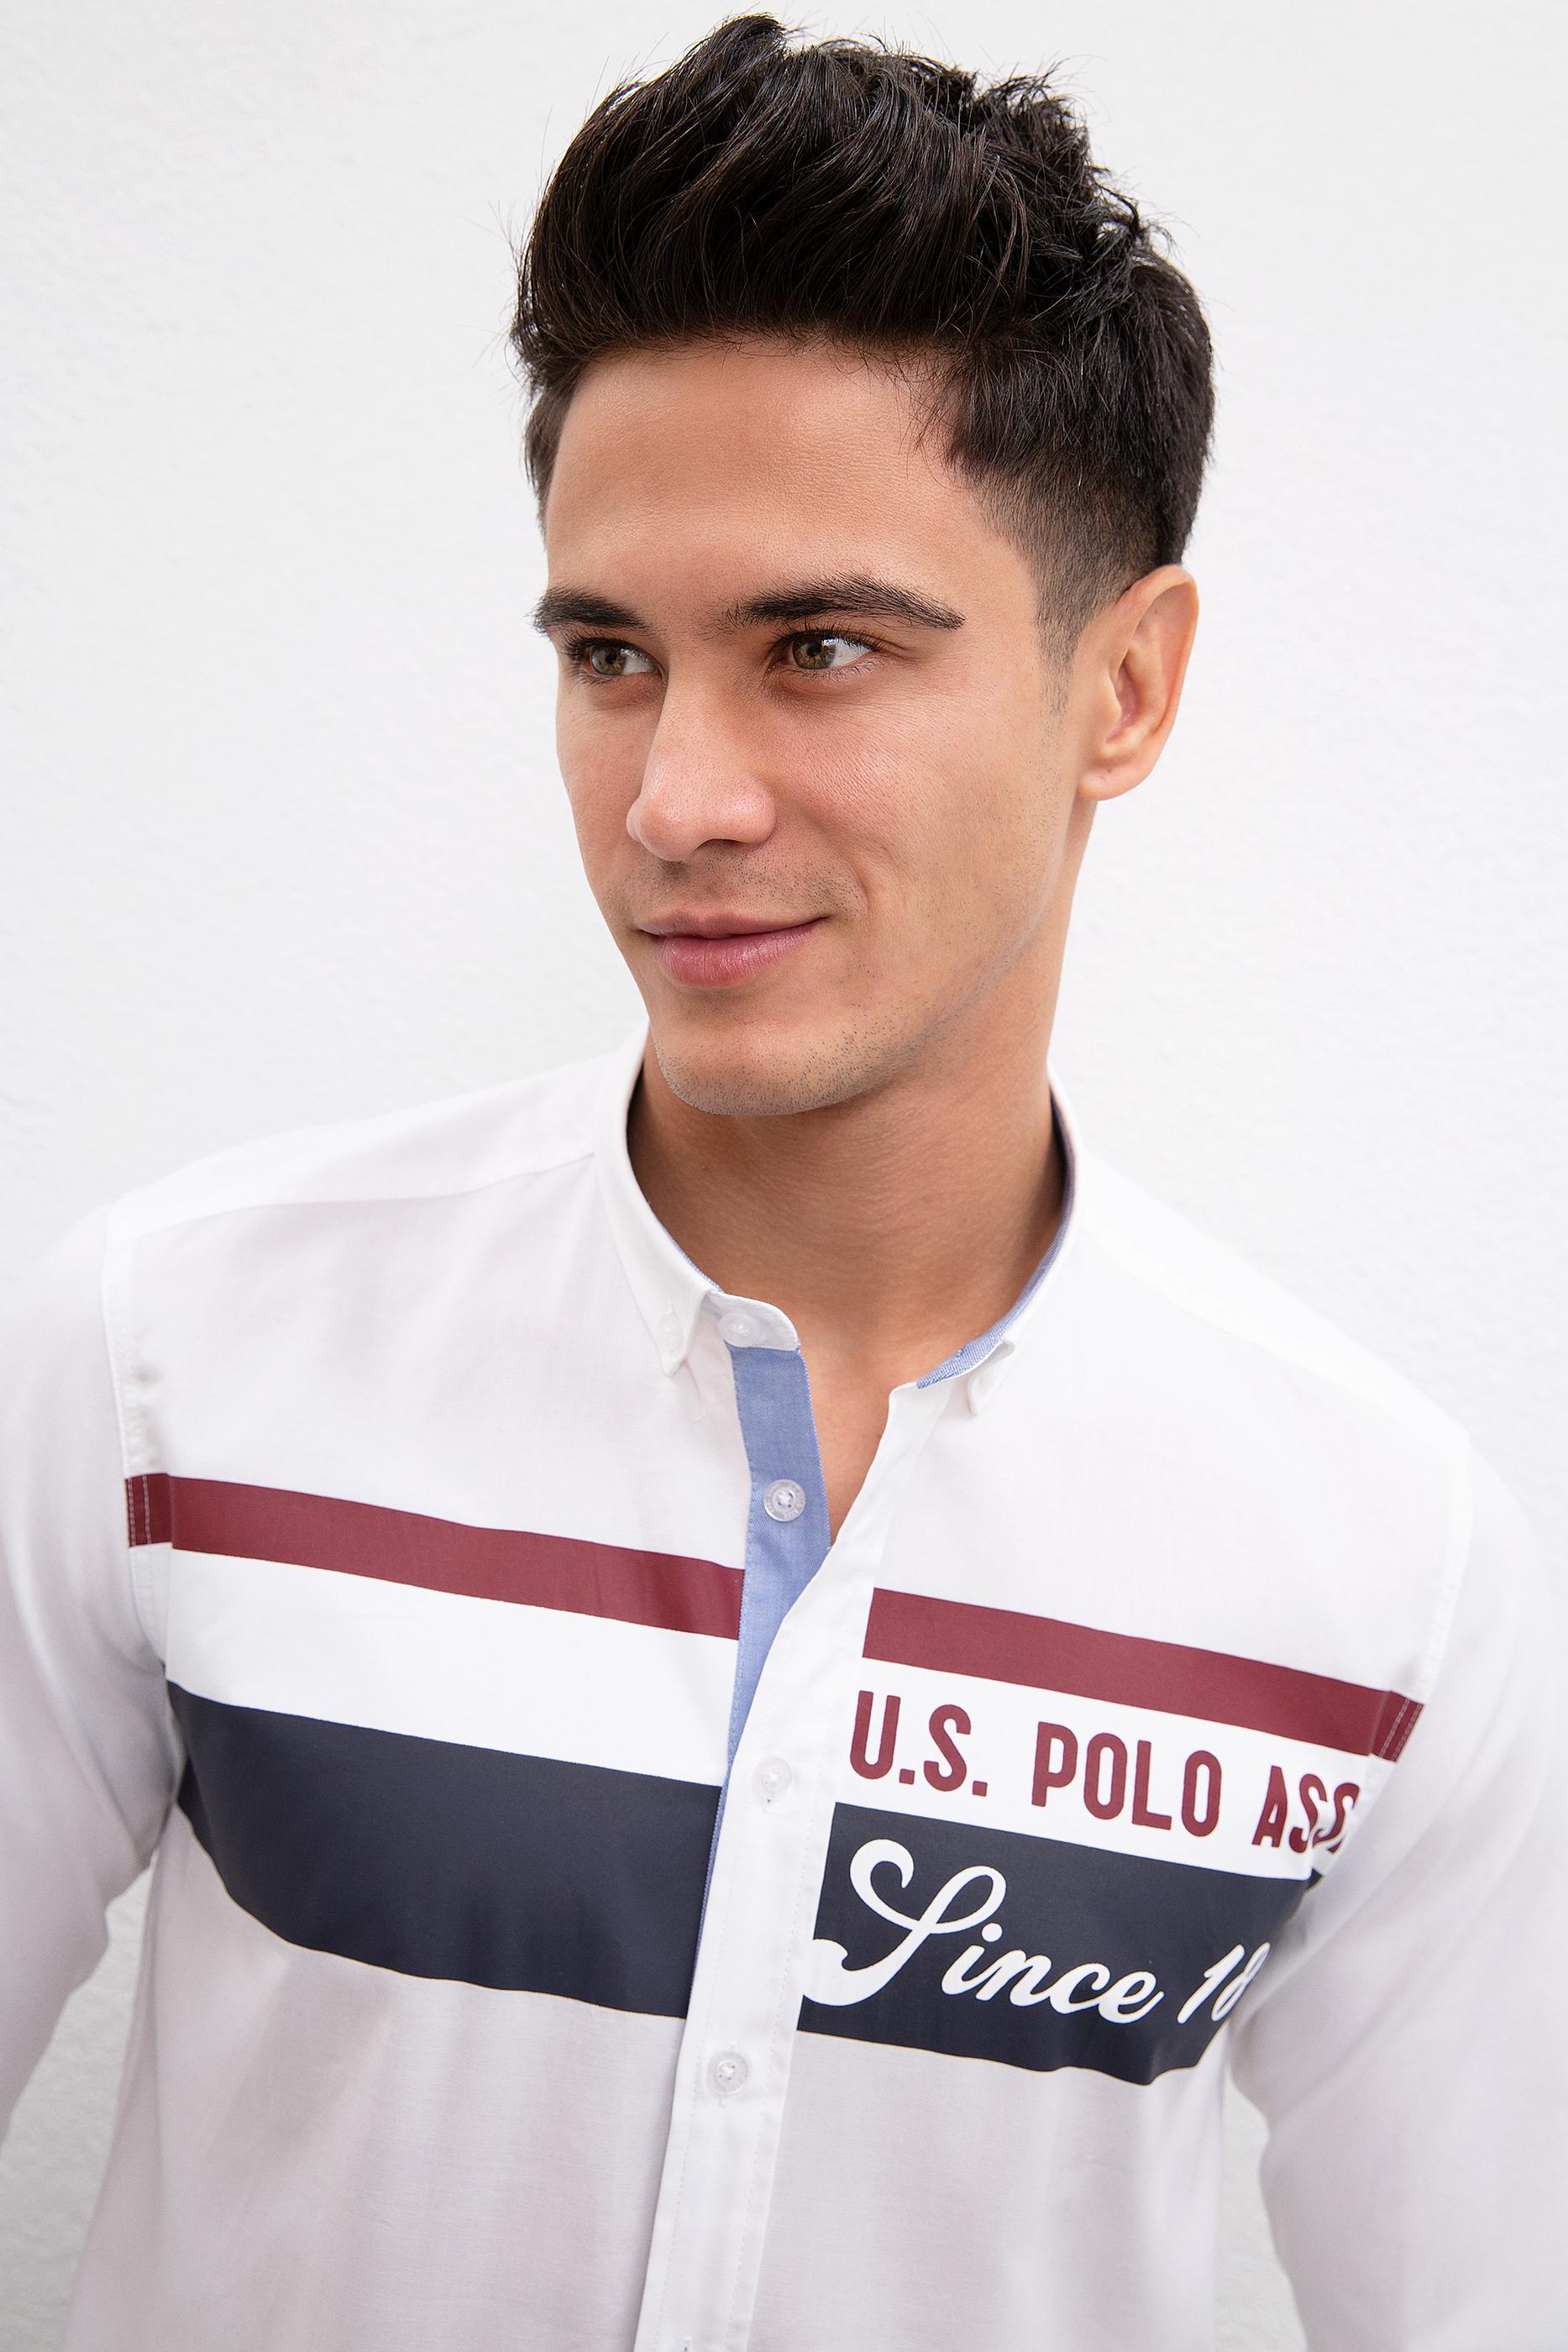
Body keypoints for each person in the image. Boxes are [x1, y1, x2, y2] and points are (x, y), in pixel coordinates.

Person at [2, 13, 1563, 2348]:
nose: (674, 799)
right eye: (609, 654)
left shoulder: (1381, 1569)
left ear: (1125, 687)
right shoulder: (167, 1364)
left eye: (818, 649)